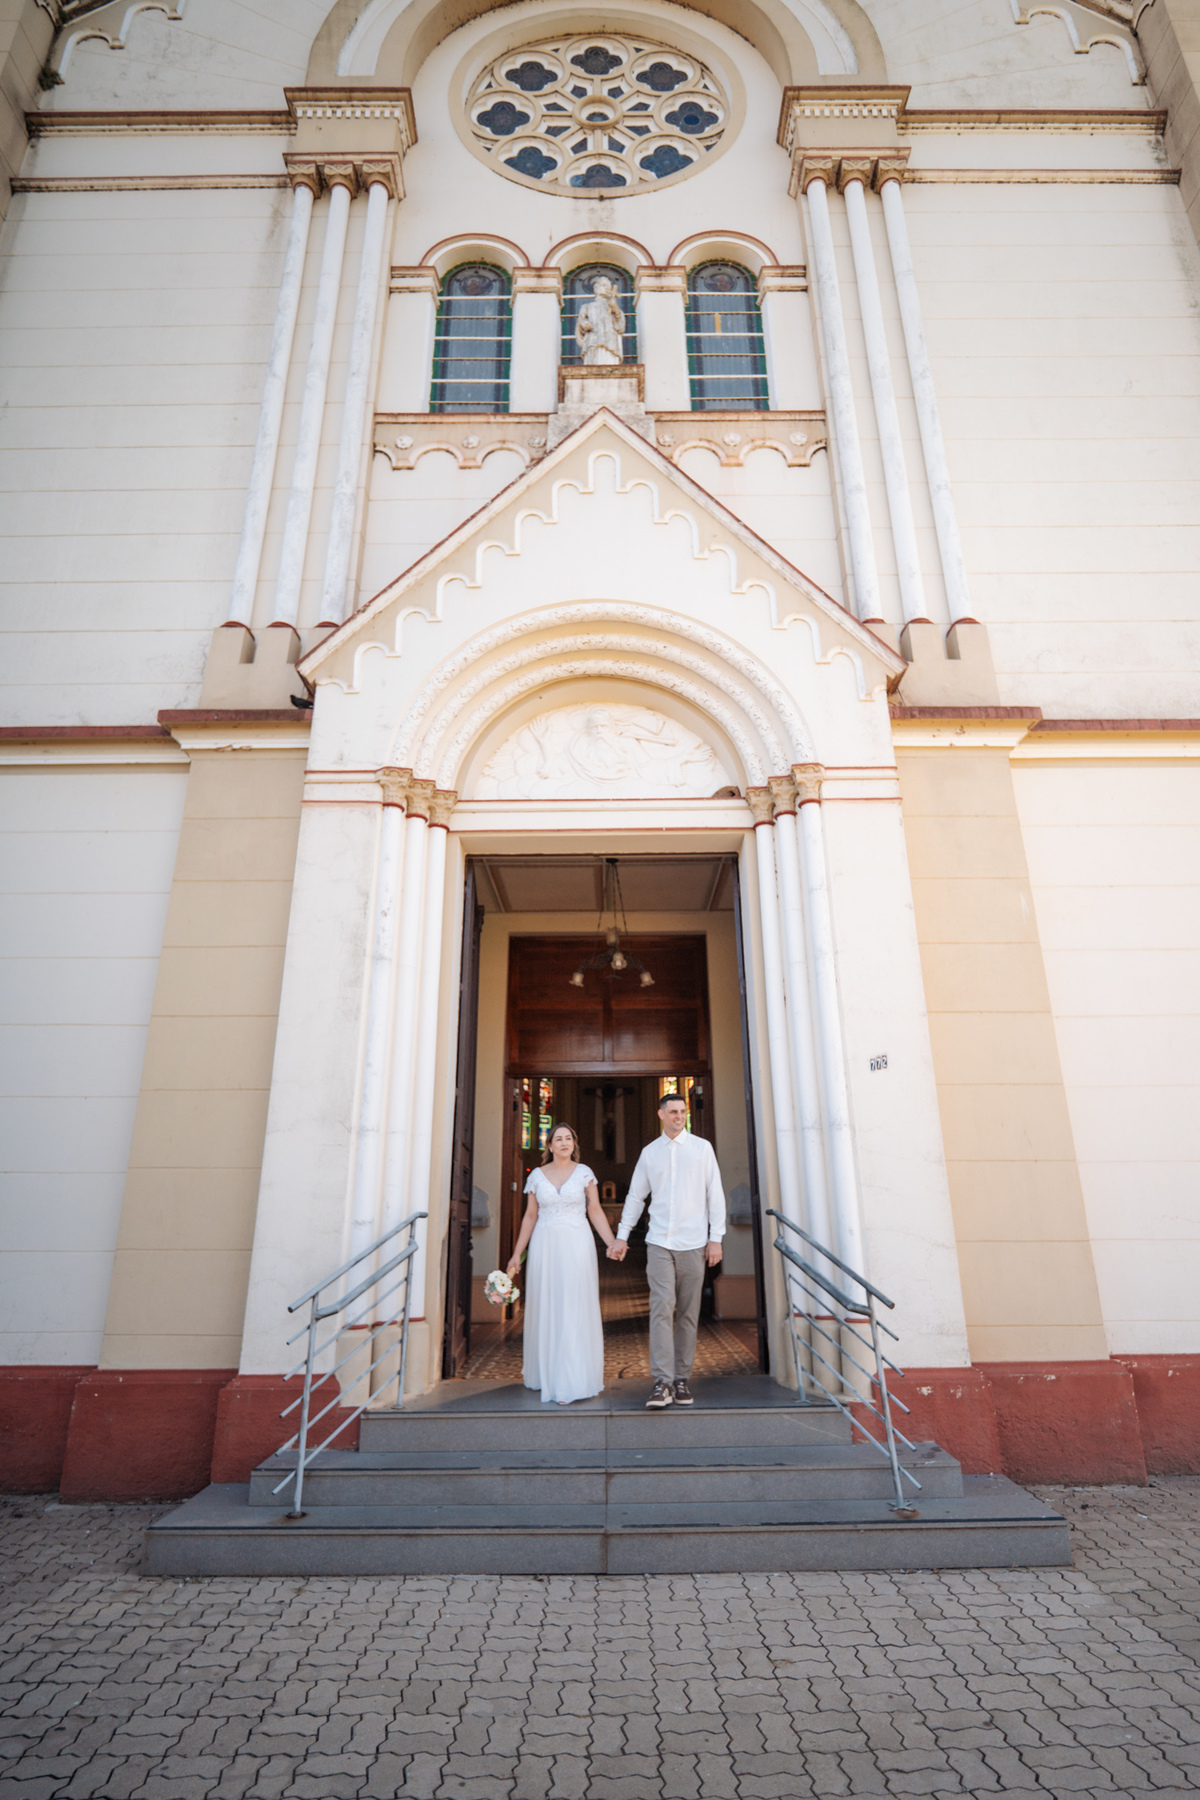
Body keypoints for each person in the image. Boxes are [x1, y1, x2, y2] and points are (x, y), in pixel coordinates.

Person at [608, 1094, 726, 1408]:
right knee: (662, 1308)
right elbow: (635, 1197)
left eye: (682, 1112)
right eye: (672, 1111)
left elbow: (715, 1194)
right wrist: (622, 1237)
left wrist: (716, 1238)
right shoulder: (650, 1153)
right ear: (660, 1114)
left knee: (688, 1312)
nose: (679, 1116)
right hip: (659, 1242)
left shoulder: (702, 1149)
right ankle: (662, 1381)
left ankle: (681, 1379)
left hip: (694, 1243)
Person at [507, 1122, 618, 1404]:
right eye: (559, 1138)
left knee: (573, 1304)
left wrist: (612, 1242)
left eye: (569, 1138)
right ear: (550, 1145)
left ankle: (573, 1378)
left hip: (577, 1245)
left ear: (574, 1144)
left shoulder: (584, 1174)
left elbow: (595, 1211)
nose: (564, 1142)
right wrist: (516, 1255)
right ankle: (547, 1375)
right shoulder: (537, 1176)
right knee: (548, 1304)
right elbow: (530, 1217)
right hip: (545, 1246)